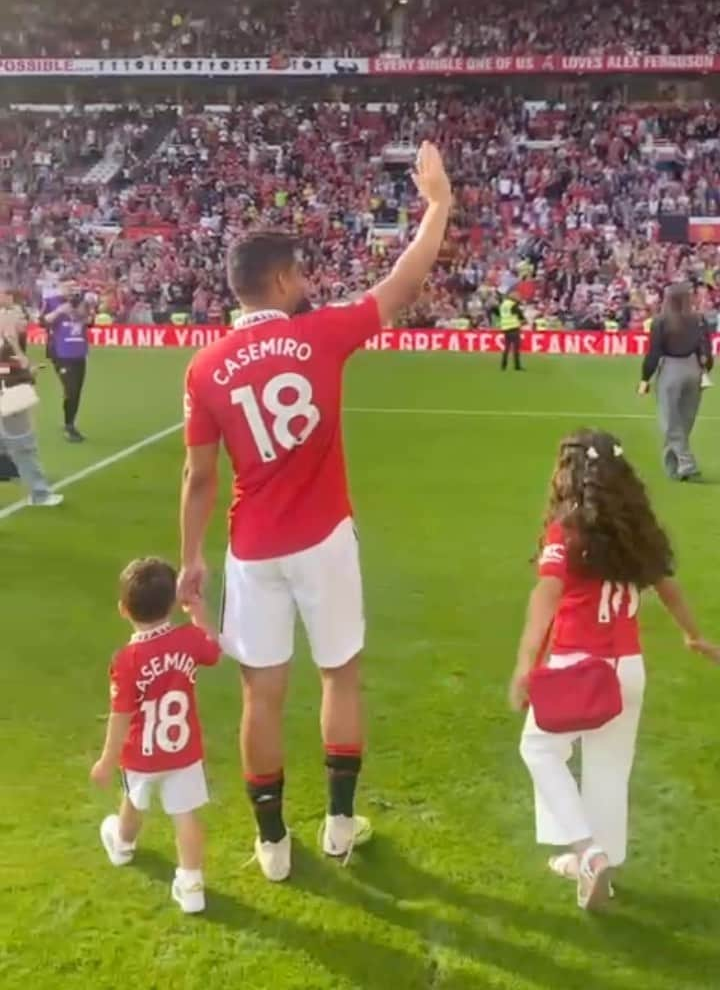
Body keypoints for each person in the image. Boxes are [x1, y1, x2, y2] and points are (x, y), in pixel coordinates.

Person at [179, 140, 452, 882]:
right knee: (340, 677)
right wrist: (437, 206)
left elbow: (199, 476)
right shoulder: (320, 334)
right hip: (325, 538)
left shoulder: (203, 368)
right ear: (277, 278)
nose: (307, 281)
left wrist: (192, 556)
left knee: (260, 696)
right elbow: (401, 284)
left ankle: (271, 842)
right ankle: (338, 821)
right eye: (298, 271)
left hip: (252, 547)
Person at [510, 430, 719, 912]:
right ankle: (602, 864)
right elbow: (668, 588)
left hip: (578, 663)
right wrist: (694, 635)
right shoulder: (637, 529)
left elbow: (546, 593)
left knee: (539, 748)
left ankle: (587, 852)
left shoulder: (567, 529)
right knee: (609, 768)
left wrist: (525, 663)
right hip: (628, 669)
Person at [90, 557, 220, 915]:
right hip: (184, 752)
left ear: (123, 609)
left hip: (143, 755)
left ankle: (122, 845)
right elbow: (213, 648)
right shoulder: (189, 639)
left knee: (133, 801)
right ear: (170, 603)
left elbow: (121, 716)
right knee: (186, 816)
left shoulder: (127, 660)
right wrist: (199, 612)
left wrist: (107, 759)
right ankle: (192, 884)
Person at [638, 282, 713, 481]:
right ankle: (674, 468)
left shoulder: (661, 321)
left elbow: (654, 353)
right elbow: (706, 349)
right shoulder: (699, 319)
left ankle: (687, 463)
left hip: (671, 368)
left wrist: (645, 378)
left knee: (670, 420)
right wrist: (705, 370)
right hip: (694, 369)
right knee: (685, 419)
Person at [0, 283, 63, 508]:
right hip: (10, 397)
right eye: (18, 317)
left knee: (11, 443)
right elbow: (8, 367)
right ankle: (40, 493)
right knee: (24, 445)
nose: (24, 321)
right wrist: (22, 362)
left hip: (10, 391)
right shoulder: (8, 341)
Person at [42, 281, 90, 443]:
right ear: (61, 288)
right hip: (60, 352)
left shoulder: (84, 302)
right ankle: (70, 427)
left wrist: (83, 313)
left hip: (79, 352)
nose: (72, 291)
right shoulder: (52, 302)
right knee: (71, 389)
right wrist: (59, 311)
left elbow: (90, 322)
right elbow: (42, 322)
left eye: (75, 288)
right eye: (68, 288)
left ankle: (69, 421)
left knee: (76, 390)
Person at [499, 289, 525, 371]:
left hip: (505, 327)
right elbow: (520, 316)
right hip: (513, 327)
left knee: (506, 347)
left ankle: (504, 365)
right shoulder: (513, 305)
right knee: (516, 347)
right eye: (518, 297)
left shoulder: (503, 304)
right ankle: (517, 366)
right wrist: (523, 320)